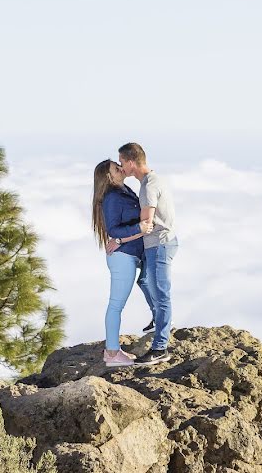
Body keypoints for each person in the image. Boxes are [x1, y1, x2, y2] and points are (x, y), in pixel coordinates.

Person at [118, 142, 178, 365]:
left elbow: (146, 223)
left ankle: (160, 348)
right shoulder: (152, 180)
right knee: (144, 280)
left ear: (131, 162)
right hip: (157, 244)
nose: (121, 166)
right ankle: (160, 318)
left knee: (162, 295)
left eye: (122, 162)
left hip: (159, 245)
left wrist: (119, 240)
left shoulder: (148, 186)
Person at [91, 159, 155, 367]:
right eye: (116, 169)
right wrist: (138, 229)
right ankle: (111, 353)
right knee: (116, 305)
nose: (121, 169)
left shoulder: (123, 190)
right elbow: (113, 230)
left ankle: (158, 319)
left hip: (130, 253)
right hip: (122, 257)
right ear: (109, 177)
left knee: (147, 282)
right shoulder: (112, 197)